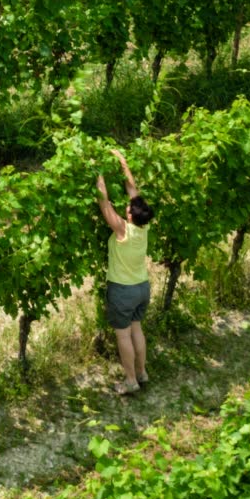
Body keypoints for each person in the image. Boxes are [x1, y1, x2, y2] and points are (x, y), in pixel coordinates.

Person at [97, 145, 154, 396]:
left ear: (130, 216)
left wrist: (97, 172)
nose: (127, 207)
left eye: (129, 208)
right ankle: (142, 373)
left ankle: (130, 381)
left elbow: (104, 204)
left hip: (122, 291)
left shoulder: (122, 230)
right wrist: (123, 162)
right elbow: (133, 192)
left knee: (123, 336)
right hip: (142, 288)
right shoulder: (143, 228)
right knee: (137, 329)